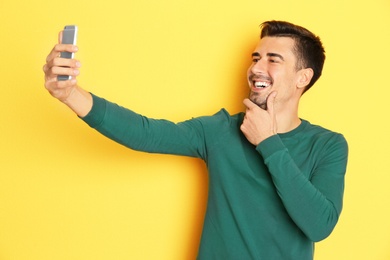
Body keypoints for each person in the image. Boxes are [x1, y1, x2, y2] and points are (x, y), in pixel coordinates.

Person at [43, 20, 348, 259]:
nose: (256, 68)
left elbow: (319, 225)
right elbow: (145, 132)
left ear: (302, 78)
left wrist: (267, 142)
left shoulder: (328, 145)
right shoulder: (220, 131)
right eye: (256, 58)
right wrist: (70, 94)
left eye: (273, 60)